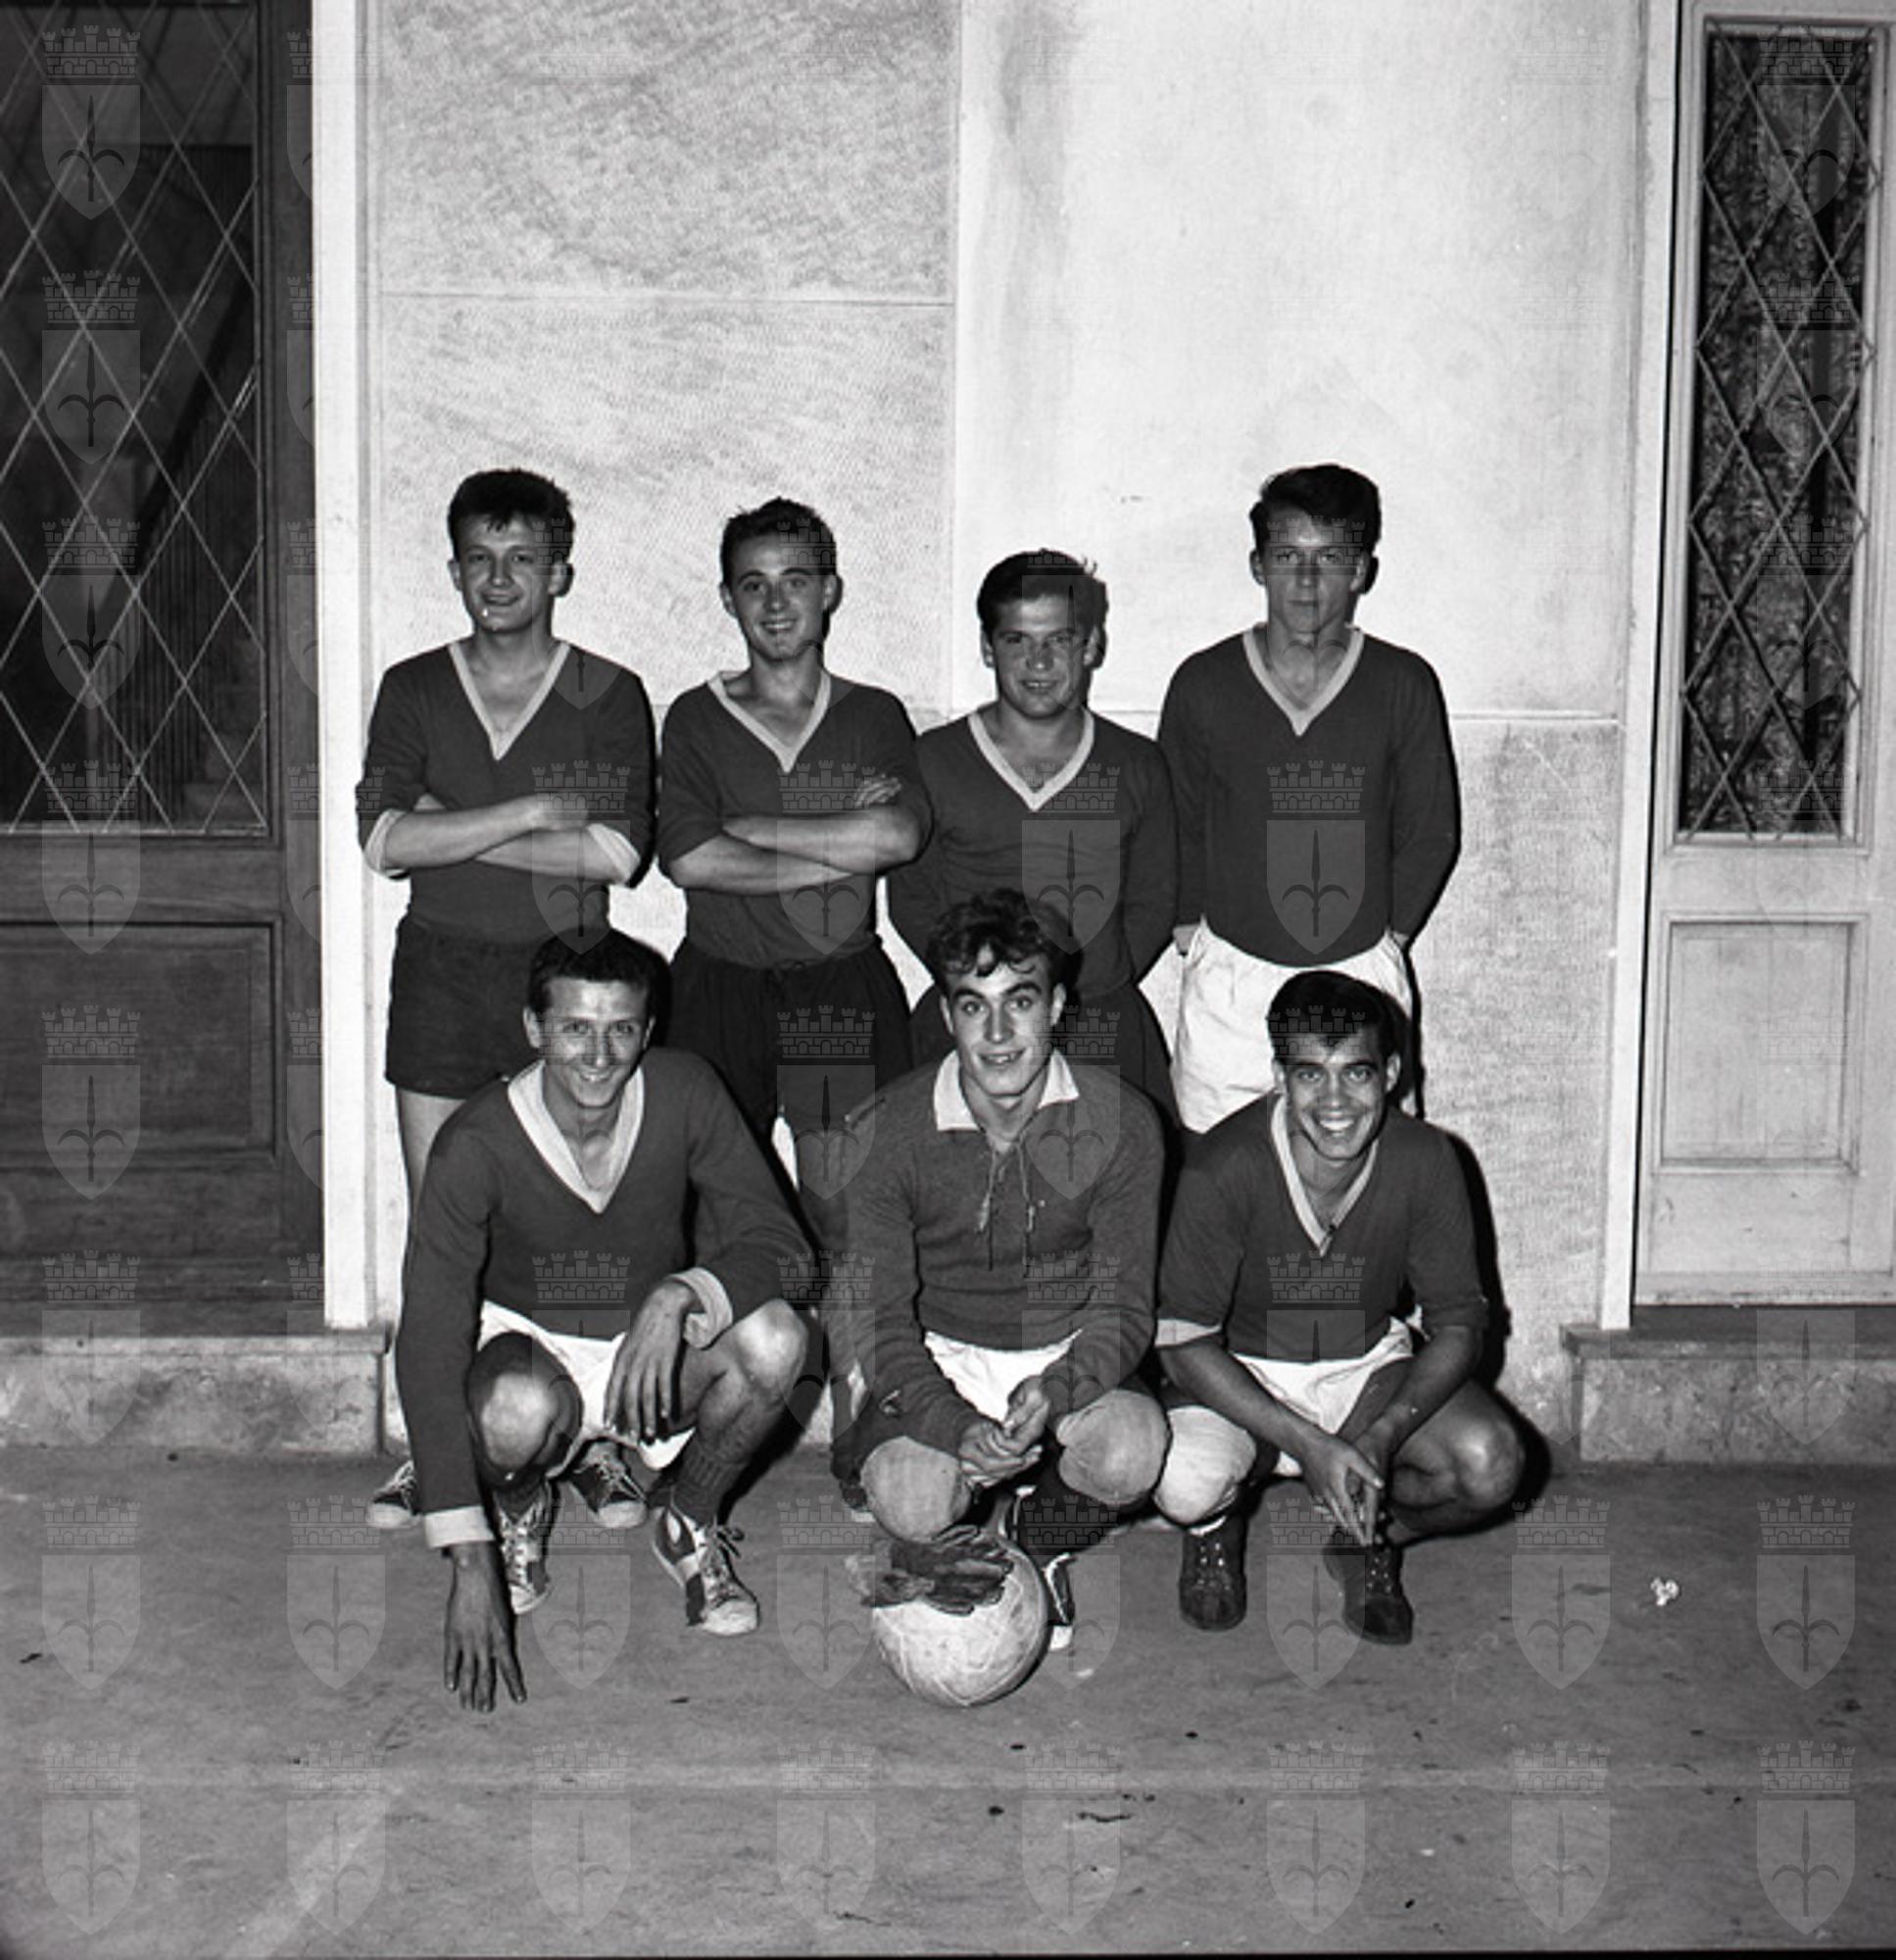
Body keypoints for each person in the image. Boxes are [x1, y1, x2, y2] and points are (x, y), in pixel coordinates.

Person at [395, 930, 809, 1712]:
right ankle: (518, 1508)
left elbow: (786, 1249)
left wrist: (680, 1293)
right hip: (528, 1349)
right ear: (533, 1028)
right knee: (511, 1412)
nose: (598, 1055)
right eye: (575, 1028)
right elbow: (427, 1341)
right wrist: (467, 1556)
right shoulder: (475, 1141)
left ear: (647, 1031)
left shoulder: (685, 1089)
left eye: (620, 1029)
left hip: (645, 1353)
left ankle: (687, 1520)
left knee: (777, 1339)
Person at [358, 469, 655, 1530]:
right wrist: (530, 810)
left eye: (522, 559)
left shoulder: (608, 691)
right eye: (479, 560)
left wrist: (453, 821)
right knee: (441, 1222)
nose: (499, 579)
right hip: (440, 970)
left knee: (579, 1206)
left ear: (558, 573)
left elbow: (615, 853)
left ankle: (596, 1441)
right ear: (453, 570)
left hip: (567, 973)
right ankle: (438, 1450)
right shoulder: (412, 686)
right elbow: (382, 840)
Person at [656, 497, 929, 1480]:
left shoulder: (873, 714)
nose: (776, 603)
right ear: (727, 598)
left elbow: (898, 835)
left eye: (796, 581)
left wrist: (753, 828)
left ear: (831, 592)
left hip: (838, 982)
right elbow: (688, 858)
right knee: (708, 1209)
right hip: (719, 981)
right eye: (754, 584)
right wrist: (828, 847)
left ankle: (860, 1416)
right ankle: (703, 1414)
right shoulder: (696, 715)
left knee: (850, 1208)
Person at [837, 890, 1168, 1647]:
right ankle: (938, 1518)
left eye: (1019, 1001)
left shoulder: (1121, 1123)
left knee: (1131, 1452)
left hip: (1063, 1345)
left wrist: (1058, 1390)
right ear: (946, 1015)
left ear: (1056, 1006)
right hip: (941, 1347)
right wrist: (952, 1425)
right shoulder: (885, 1130)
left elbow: (1123, 1310)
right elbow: (880, 1323)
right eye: (972, 1006)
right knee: (909, 1499)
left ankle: (1038, 1537)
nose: (996, 1034)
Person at [1151, 970, 1523, 1644]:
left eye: (1356, 1073)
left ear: (1391, 1073)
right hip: (1245, 1372)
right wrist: (1305, 1442)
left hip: (1362, 1366)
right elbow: (1182, 1344)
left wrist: (1383, 1435)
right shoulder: (1222, 1167)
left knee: (1489, 1465)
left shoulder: (1427, 1159)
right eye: (1309, 1074)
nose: (1334, 1101)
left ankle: (1366, 1536)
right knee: (1185, 1482)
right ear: (1278, 1078)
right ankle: (1214, 1526)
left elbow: (1459, 1326)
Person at [1158, 464, 1458, 1133]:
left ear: (1361, 571)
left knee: (1362, 1166)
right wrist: (1189, 929)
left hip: (1358, 971)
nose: (1305, 580)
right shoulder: (1204, 682)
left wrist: (1385, 940)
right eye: (1287, 556)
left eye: (1329, 558)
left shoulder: (1402, 683)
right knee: (1218, 1164)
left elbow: (1430, 829)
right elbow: (1176, 817)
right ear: (1257, 565)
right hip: (1232, 979)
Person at [890, 550, 1178, 1120]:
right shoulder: (934, 758)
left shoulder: (1136, 763)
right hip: (974, 1022)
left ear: (1091, 645)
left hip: (1098, 1021)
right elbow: (911, 900)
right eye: (1017, 640)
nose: (1039, 661)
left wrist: (1093, 980)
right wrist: (979, 987)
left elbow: (1154, 901)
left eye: (1059, 640)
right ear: (986, 647)